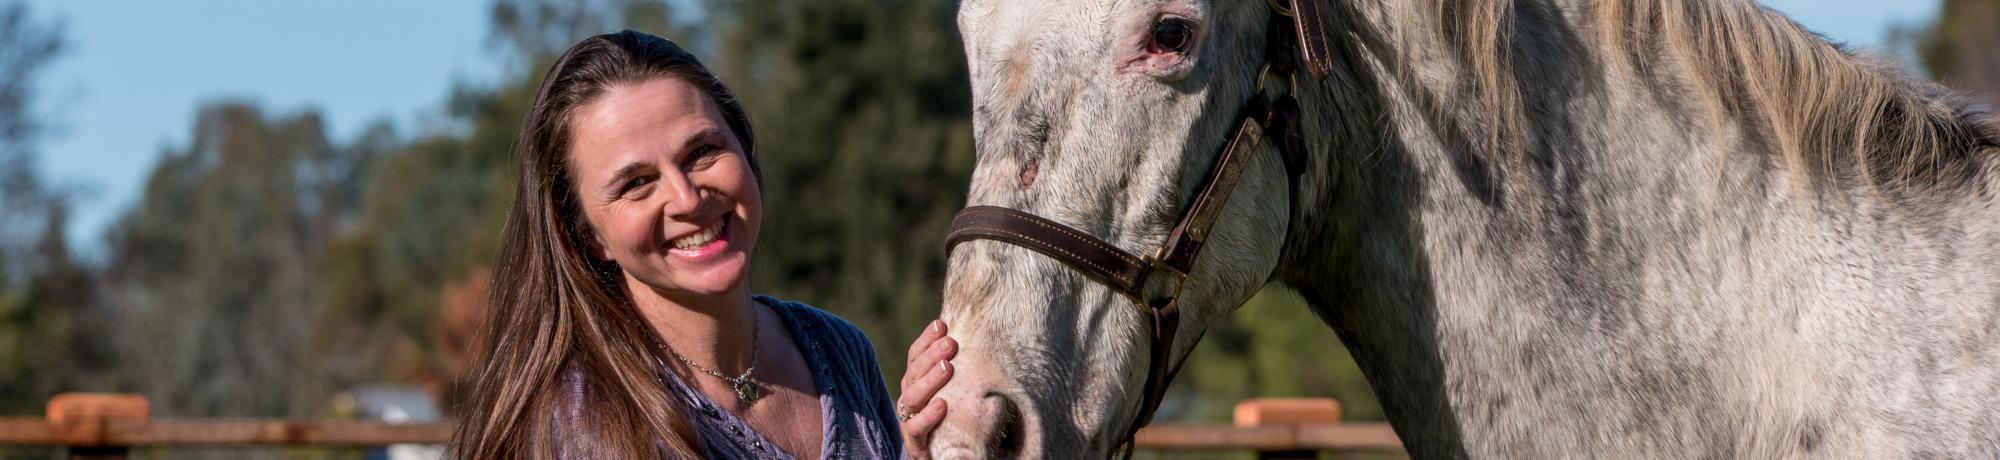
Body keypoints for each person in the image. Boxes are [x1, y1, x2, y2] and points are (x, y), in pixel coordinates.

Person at [448, 30, 957, 458]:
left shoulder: (841, 350)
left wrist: (919, 449)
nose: (687, 198)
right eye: (636, 183)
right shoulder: (579, 423)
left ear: (745, 147)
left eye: (702, 152)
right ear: (586, 234)